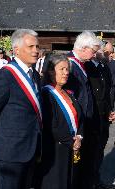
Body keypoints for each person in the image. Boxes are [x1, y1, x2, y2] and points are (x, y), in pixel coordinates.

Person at [0, 29, 42, 189]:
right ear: (16, 50)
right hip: (10, 150)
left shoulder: (35, 75)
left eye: (37, 47)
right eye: (31, 46)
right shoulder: (5, 76)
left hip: (31, 147)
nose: (36, 51)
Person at [36, 54, 83, 189]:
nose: (66, 73)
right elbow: (52, 126)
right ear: (51, 71)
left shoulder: (69, 93)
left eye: (67, 69)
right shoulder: (46, 94)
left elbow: (80, 119)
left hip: (72, 147)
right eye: (62, 69)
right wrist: (72, 142)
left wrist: (79, 137)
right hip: (55, 151)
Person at [65, 30, 100, 188]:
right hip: (75, 124)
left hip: (84, 121)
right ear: (84, 47)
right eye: (93, 51)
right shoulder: (69, 65)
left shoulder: (80, 64)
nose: (94, 55)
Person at [84, 44, 115, 189]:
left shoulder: (104, 68)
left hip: (104, 115)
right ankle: (89, 182)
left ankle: (97, 180)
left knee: (100, 148)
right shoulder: (87, 67)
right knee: (91, 151)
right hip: (93, 116)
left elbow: (108, 92)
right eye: (104, 51)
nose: (107, 53)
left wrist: (110, 110)